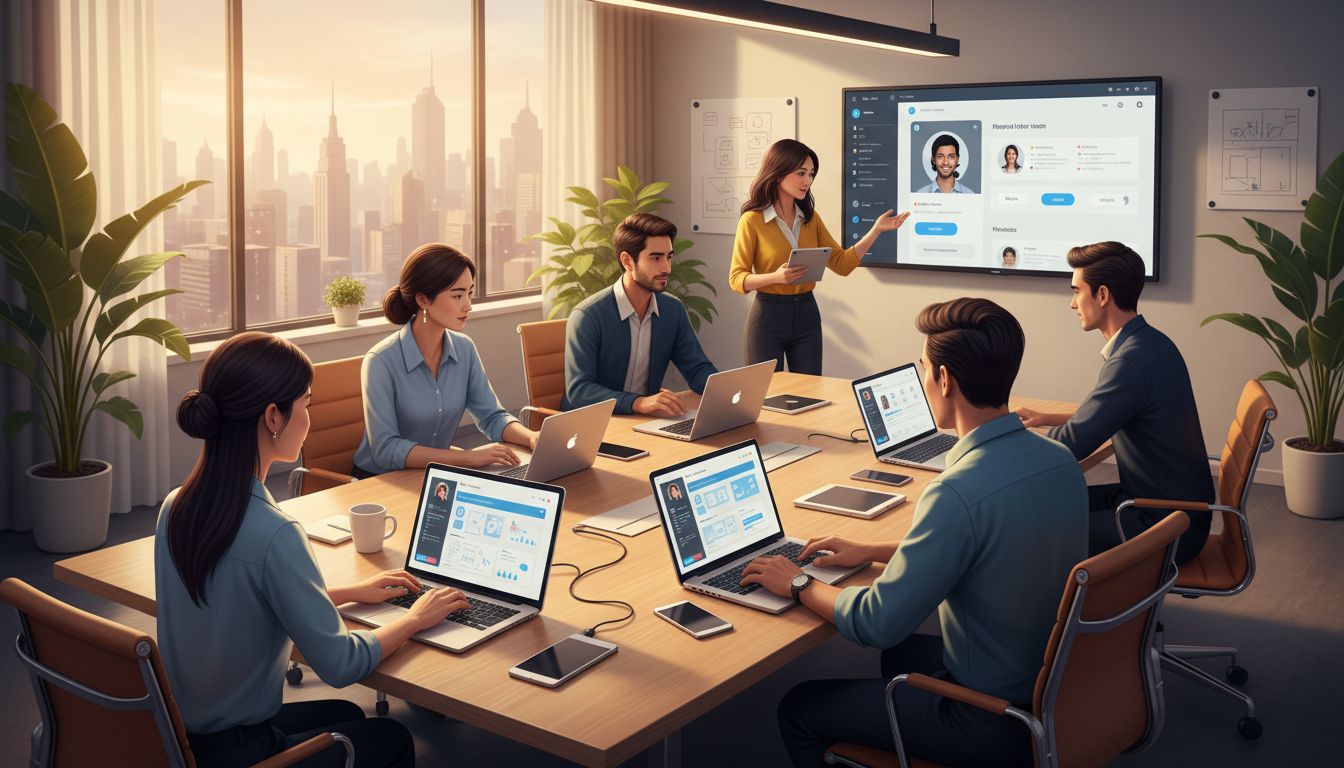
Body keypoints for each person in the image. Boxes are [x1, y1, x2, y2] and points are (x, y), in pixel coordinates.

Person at [741, 298, 1087, 767]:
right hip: (1059, 690)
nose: (925, 380)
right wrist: (873, 549)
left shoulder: (956, 492)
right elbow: (992, 541)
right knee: (900, 656)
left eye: (926, 369)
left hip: (992, 719)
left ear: (945, 379)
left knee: (800, 708)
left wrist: (798, 583)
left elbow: (876, 622)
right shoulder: (1060, 461)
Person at [158, 332, 470, 768]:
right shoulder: (275, 532)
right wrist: (416, 619)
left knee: (343, 715)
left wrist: (348, 593)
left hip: (186, 738)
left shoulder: (176, 505)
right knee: (392, 737)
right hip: (246, 755)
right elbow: (341, 665)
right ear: (272, 416)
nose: (310, 419)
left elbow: (242, 600)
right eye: (306, 404)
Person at [1017, 241, 1214, 564]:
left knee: (1032, 525)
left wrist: (1000, 454)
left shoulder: (1130, 363)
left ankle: (1059, 614)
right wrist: (1047, 417)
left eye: (1077, 291)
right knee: (1054, 501)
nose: (1072, 303)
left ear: (1103, 295)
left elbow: (1068, 447)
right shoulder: (1150, 343)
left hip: (1163, 525)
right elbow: (1114, 413)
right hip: (1164, 506)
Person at [353, 243, 537, 476]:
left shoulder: (464, 348)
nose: (468, 305)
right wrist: (467, 458)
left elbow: (492, 416)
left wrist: (532, 437)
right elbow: (386, 449)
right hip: (381, 480)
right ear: (423, 301)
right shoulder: (380, 361)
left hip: (434, 473)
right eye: (457, 296)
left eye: (469, 293)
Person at [730, 138, 909, 374]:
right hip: (767, 318)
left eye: (811, 174)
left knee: (810, 394)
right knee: (766, 396)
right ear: (778, 172)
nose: (807, 181)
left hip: (806, 315)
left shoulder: (811, 219)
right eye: (801, 173)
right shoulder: (752, 220)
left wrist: (875, 231)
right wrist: (775, 277)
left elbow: (842, 264)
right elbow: (736, 279)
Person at [563, 213, 718, 417]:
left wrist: (727, 388)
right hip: (590, 425)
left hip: (642, 421)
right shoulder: (588, 316)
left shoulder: (672, 310)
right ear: (628, 261)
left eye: (668, 256)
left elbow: (697, 368)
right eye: (655, 258)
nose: (667, 268)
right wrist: (638, 403)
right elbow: (580, 390)